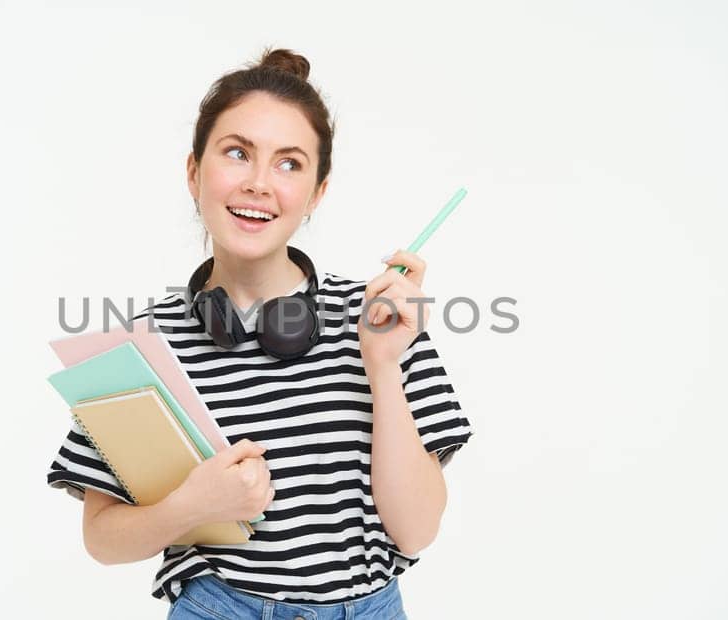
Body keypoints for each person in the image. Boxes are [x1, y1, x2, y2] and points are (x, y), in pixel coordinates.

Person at [44, 48, 474, 620]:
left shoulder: (380, 319)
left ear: (317, 193)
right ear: (195, 171)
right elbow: (101, 538)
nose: (259, 184)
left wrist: (381, 365)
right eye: (238, 153)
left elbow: (417, 531)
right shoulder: (142, 348)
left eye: (290, 163)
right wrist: (190, 507)